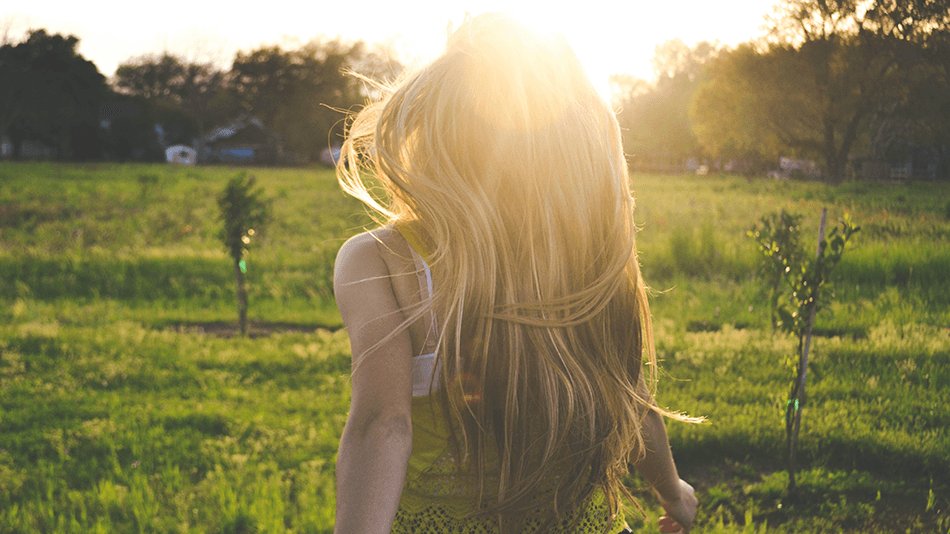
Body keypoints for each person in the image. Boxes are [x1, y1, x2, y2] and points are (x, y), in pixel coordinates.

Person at [332, 14, 700, 534]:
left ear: (433, 134)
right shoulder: (583, 259)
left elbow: (381, 426)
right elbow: (632, 399)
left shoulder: (379, 258)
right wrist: (673, 492)